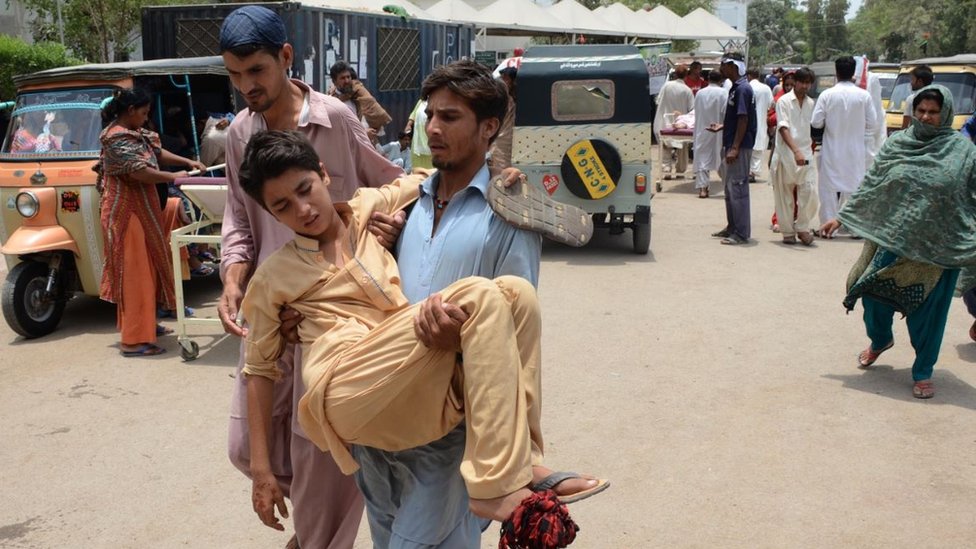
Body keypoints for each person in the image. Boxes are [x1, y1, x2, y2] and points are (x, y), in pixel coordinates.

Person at [237, 129, 607, 536]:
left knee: (518, 294)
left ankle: (521, 459)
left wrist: (500, 174)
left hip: (406, 377)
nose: (303, 210)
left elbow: (432, 179)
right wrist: (261, 471)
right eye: (283, 206)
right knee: (478, 294)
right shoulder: (274, 276)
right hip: (344, 386)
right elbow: (258, 370)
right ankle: (494, 484)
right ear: (272, 216)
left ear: (323, 174)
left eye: (305, 189)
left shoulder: (367, 209)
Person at [336, 60, 599, 548]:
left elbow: (514, 332)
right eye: (430, 114)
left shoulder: (509, 212)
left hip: (447, 432)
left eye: (450, 117)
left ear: (489, 127)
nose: (432, 128)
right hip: (381, 429)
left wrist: (457, 341)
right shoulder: (408, 204)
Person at [217, 6, 405, 547]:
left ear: (285, 58)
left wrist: (383, 232)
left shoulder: (337, 119)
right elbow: (238, 217)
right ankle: (322, 519)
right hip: (271, 315)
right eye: (234, 75)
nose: (246, 86)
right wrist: (233, 277)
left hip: (330, 328)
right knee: (247, 449)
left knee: (320, 451)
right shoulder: (238, 135)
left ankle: (321, 531)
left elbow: (389, 184)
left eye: (255, 71)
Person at [821, 85, 976, 400]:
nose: (925, 117)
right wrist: (841, 218)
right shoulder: (897, 145)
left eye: (933, 112)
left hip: (937, 249)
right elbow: (873, 185)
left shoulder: (964, 152)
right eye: (920, 111)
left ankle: (923, 371)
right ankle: (880, 340)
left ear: (944, 114)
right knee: (869, 296)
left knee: (930, 314)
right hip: (892, 240)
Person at [96, 87, 205, 357]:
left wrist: (189, 162)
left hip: (143, 210)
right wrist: (175, 177)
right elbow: (141, 172)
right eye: (143, 113)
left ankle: (146, 325)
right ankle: (133, 341)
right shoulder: (115, 139)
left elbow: (157, 153)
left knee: (149, 270)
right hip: (125, 215)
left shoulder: (136, 134)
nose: (146, 119)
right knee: (136, 275)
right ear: (130, 111)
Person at [811, 56, 877, 229]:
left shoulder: (827, 95)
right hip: (856, 151)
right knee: (855, 188)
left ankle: (827, 227)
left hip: (832, 151)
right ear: (853, 72)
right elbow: (872, 124)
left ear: (836, 72)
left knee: (829, 190)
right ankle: (855, 228)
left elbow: (816, 122)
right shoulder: (864, 96)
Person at [708, 53, 757, 246]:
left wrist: (735, 147)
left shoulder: (743, 89)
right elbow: (738, 118)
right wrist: (723, 127)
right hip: (731, 143)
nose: (721, 67)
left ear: (732, 66)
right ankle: (732, 227)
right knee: (730, 189)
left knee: (738, 188)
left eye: (724, 64)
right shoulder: (736, 88)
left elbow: (744, 118)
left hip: (740, 147)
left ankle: (741, 232)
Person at [770, 67, 819, 246]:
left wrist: (804, 150)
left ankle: (803, 227)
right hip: (786, 153)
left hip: (806, 152)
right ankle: (788, 231)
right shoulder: (783, 101)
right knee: (785, 194)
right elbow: (783, 127)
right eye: (802, 82)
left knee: (809, 192)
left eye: (808, 83)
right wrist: (795, 151)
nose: (805, 86)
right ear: (795, 82)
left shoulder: (811, 103)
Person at [328, 60, 392, 133]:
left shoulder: (358, 95)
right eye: (342, 78)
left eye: (348, 77)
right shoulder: (332, 102)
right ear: (334, 81)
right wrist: (364, 133)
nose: (347, 81)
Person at [654, 64, 694, 181]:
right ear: (686, 76)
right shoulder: (687, 90)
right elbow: (692, 109)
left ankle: (666, 169)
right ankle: (680, 170)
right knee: (682, 147)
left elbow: (658, 100)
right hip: (680, 126)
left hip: (664, 122)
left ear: (675, 74)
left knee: (665, 147)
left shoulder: (666, 86)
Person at [692, 70, 727, 198]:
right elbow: (725, 112)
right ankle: (727, 187)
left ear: (708, 79)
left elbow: (696, 111)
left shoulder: (700, 93)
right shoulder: (724, 93)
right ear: (720, 80)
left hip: (703, 129)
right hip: (719, 130)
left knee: (702, 158)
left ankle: (702, 188)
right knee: (722, 158)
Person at [747, 68, 774, 182]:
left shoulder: (746, 87)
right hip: (761, 122)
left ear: (748, 76)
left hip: (747, 122)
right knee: (757, 150)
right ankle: (753, 172)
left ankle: (748, 172)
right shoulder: (766, 88)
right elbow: (771, 105)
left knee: (748, 149)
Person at [489, 66, 517, 169]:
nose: (502, 79)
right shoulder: (509, 97)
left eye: (505, 77)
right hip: (504, 138)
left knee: (500, 169)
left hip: (502, 139)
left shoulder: (505, 98)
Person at [900, 65, 933, 129]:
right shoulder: (938, 98)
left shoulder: (911, 99)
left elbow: (905, 125)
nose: (911, 83)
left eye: (912, 79)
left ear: (919, 81)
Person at [405, 98, 432, 170]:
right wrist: (409, 125)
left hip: (430, 134)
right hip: (418, 136)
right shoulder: (421, 101)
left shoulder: (438, 100)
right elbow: (413, 114)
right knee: (417, 164)